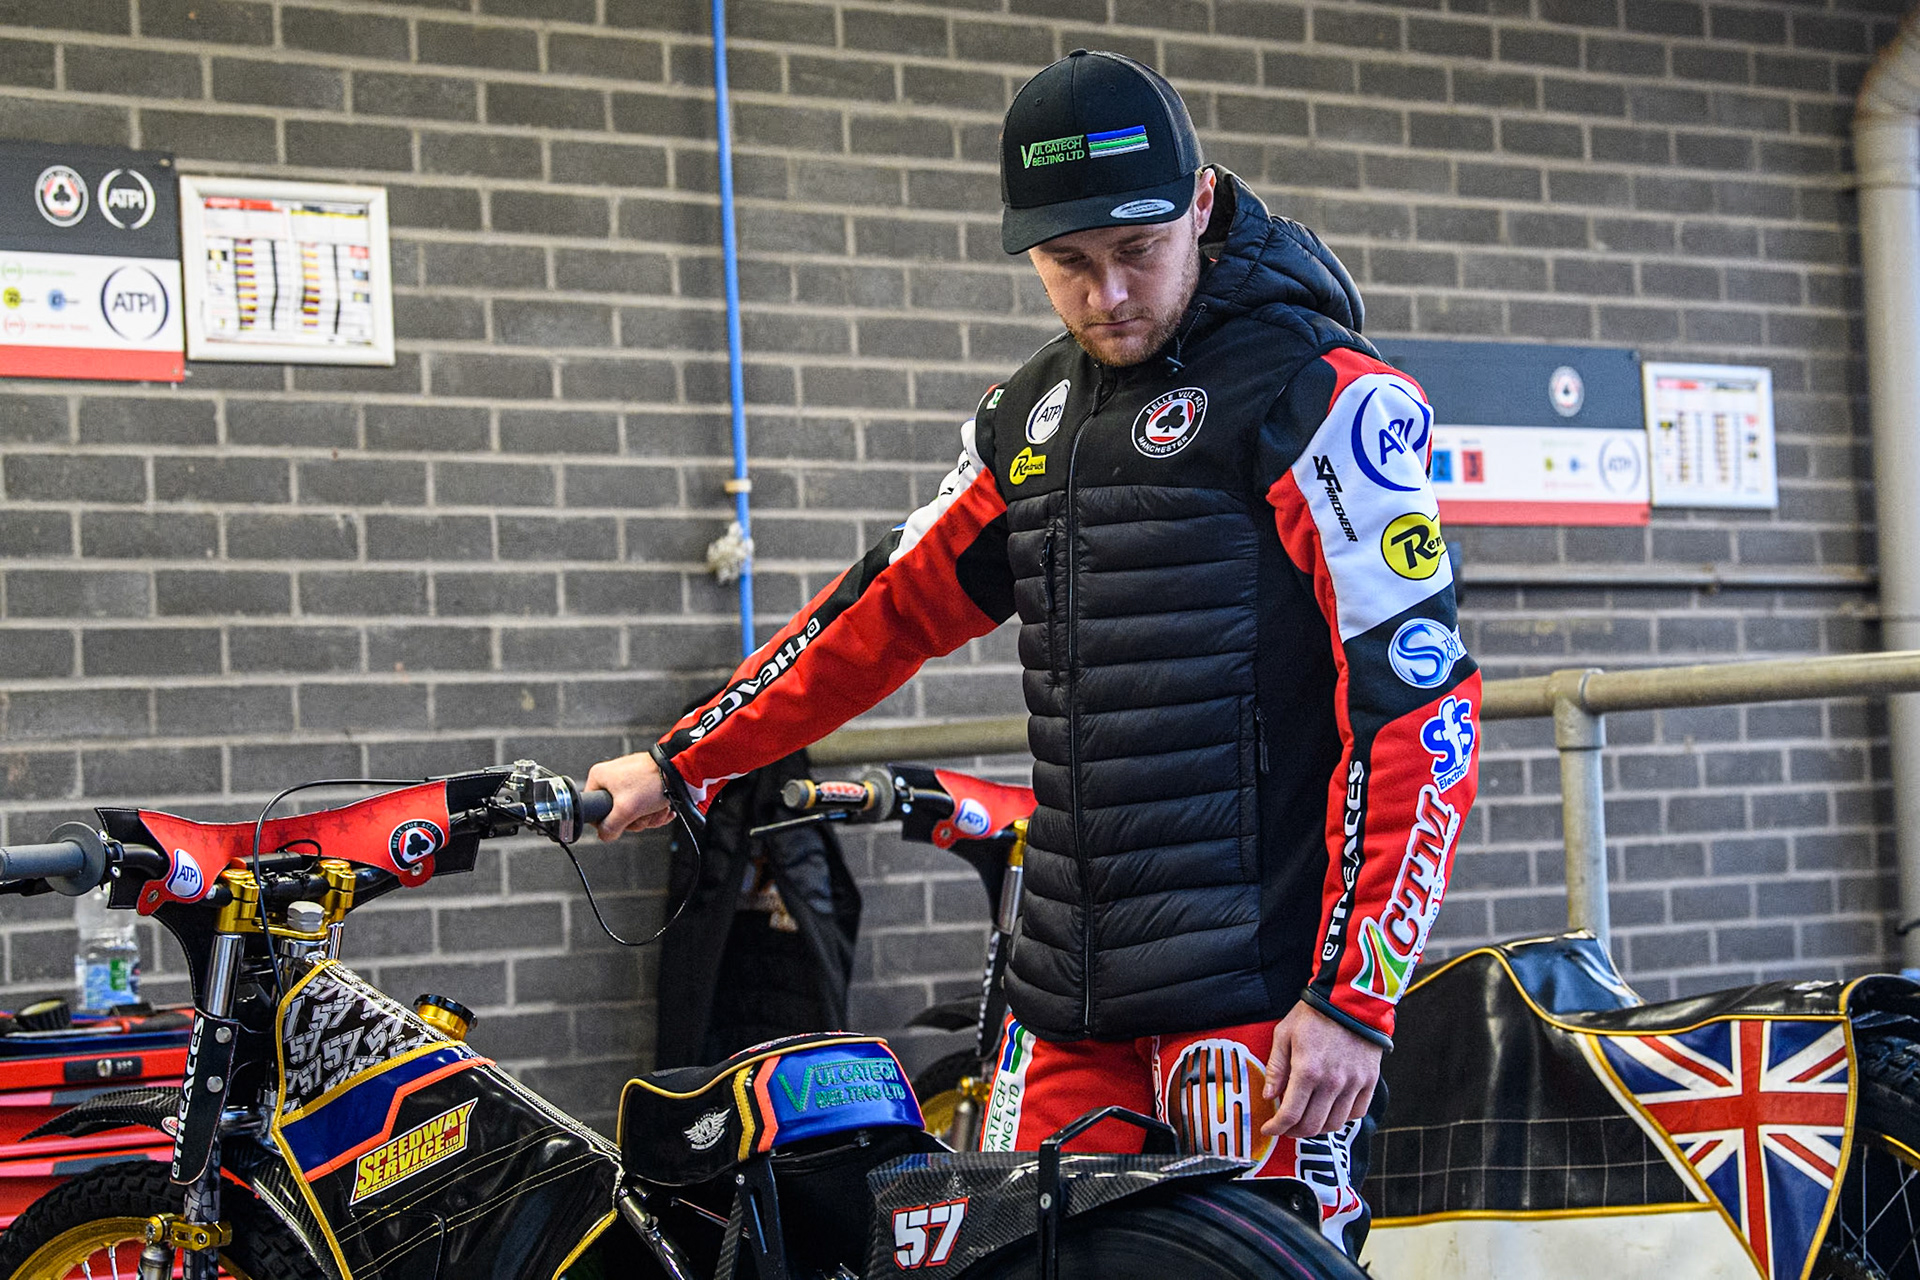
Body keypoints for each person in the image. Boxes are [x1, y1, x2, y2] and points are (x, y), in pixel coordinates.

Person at [586, 49, 1480, 1256]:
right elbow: (878, 613)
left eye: (1138, 250)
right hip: (1066, 1006)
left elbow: (1419, 714)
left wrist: (1354, 998)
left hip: (1262, 1010)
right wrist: (685, 759)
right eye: (1069, 262)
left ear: (1201, 204)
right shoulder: (1028, 420)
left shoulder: (1324, 399)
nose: (1107, 294)